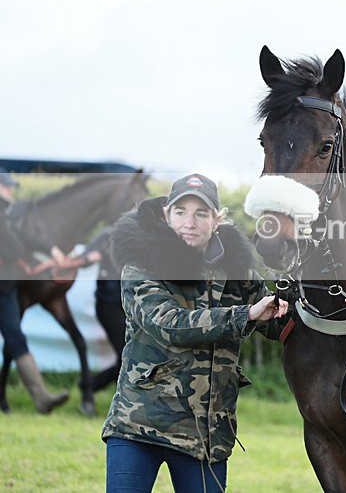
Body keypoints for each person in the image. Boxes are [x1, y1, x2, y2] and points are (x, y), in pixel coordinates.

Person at [101, 173, 288, 493]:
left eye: (201, 213)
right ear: (166, 216)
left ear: (217, 221)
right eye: (181, 212)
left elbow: (278, 323)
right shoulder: (140, 266)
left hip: (206, 435)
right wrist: (246, 314)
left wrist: (296, 281)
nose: (190, 221)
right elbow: (169, 324)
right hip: (138, 427)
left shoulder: (239, 272)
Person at [0, 167, 70, 414]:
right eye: (5, 185)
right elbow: (13, 247)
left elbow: (23, 237)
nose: (10, 189)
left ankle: (41, 398)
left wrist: (51, 248)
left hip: (5, 290)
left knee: (16, 339)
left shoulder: (6, 217)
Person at [76, 226, 125, 392]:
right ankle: (91, 386)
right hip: (108, 304)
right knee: (127, 353)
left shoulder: (147, 235)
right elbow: (85, 258)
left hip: (131, 306)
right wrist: (92, 257)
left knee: (129, 354)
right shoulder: (107, 235)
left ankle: (90, 385)